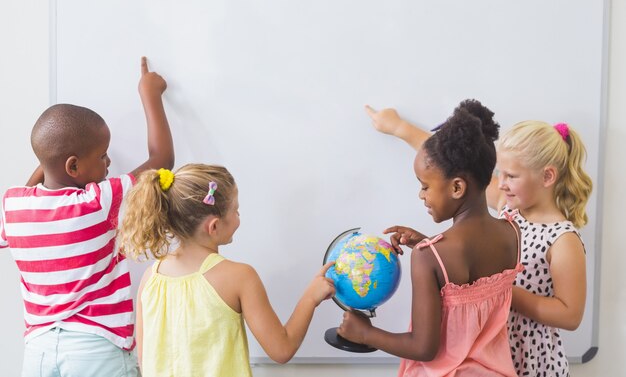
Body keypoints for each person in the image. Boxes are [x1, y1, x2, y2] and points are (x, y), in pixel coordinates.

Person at [365, 104, 592, 376]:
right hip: (490, 354)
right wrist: (399, 128)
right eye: (500, 174)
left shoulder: (562, 238)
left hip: (531, 360)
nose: (502, 183)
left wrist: (502, 288)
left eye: (511, 176)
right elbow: (452, 163)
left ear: (547, 176)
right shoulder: (510, 206)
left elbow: (570, 315)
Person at [0, 57, 174, 377]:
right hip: (96, 348)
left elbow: (36, 184)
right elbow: (162, 160)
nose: (109, 162)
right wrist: (150, 94)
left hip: (37, 351)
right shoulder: (98, 202)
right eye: (102, 155)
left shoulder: (13, 206)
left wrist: (47, 162)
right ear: (74, 167)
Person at [338, 100, 521, 376]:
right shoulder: (512, 232)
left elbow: (424, 348)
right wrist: (429, 243)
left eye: (425, 186)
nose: (421, 195)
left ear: (457, 187)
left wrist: (366, 333)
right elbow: (471, 281)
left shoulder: (428, 257)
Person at [118, 163, 336, 377]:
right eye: (236, 211)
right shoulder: (240, 277)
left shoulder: (151, 278)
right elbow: (282, 349)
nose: (239, 217)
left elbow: (145, 361)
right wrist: (310, 298)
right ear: (214, 226)